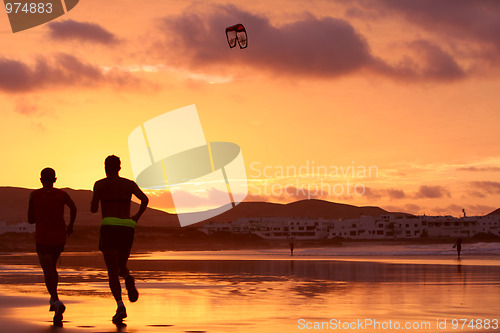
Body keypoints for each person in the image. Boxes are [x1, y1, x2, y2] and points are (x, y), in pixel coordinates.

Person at [91, 155, 148, 324]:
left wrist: (97, 201)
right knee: (121, 266)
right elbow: (145, 199)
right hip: (126, 227)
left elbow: (94, 209)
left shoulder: (100, 184)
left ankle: (120, 305)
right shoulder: (129, 184)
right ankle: (128, 277)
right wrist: (136, 216)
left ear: (105, 167)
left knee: (112, 271)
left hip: (109, 226)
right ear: (120, 168)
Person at [28, 168, 77, 326]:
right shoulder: (62, 195)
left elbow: (30, 219)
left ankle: (56, 301)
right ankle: (53, 299)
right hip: (59, 237)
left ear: (41, 179)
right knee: (52, 268)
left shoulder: (34, 195)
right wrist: (70, 226)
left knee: (47, 270)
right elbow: (74, 208)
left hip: (43, 237)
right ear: (55, 179)